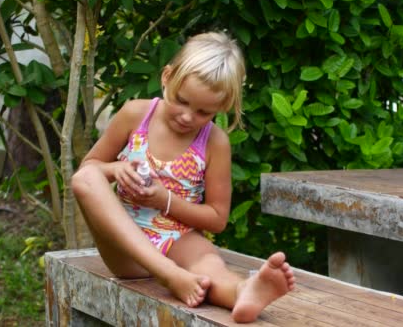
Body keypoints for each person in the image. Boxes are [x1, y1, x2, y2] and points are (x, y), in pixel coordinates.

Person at [71, 31, 295, 323]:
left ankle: (243, 291)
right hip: (127, 245)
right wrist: (115, 170)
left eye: (204, 112)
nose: (188, 117)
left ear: (223, 106)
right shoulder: (135, 114)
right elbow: (90, 167)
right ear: (167, 77)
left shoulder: (214, 143)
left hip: (179, 240)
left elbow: (217, 219)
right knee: (84, 179)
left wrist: (166, 200)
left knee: (209, 266)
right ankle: (170, 275)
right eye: (181, 100)